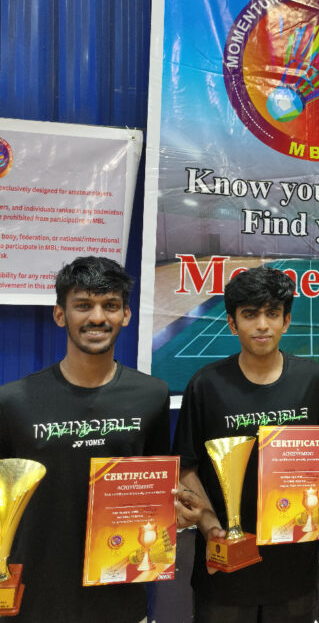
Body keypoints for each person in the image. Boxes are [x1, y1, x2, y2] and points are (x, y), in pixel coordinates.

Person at [0, 256, 201, 623]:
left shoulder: (151, 395)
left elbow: (156, 489)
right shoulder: (13, 401)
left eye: (110, 305)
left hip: (119, 598)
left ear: (126, 314)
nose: (97, 317)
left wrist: (177, 511)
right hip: (33, 600)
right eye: (83, 305)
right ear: (60, 315)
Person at [172, 266, 319, 623]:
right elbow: (186, 468)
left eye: (272, 313)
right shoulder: (205, 385)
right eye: (250, 314)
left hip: (293, 569)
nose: (263, 325)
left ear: (286, 321)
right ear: (232, 323)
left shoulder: (313, 380)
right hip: (224, 572)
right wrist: (211, 528)